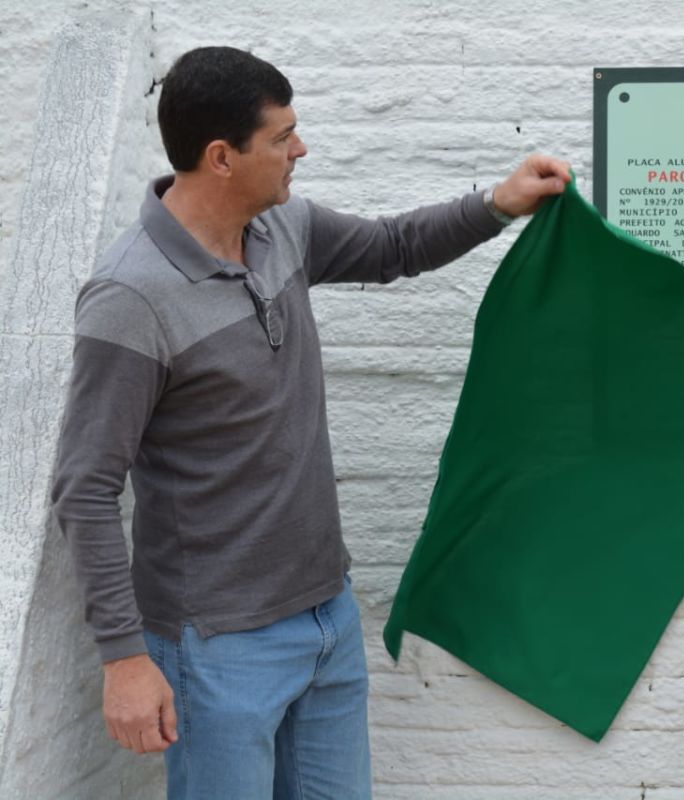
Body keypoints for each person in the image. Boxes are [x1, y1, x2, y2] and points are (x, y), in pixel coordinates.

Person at [50, 45, 570, 798]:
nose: (302, 148)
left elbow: (394, 247)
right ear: (222, 157)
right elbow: (86, 486)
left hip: (326, 616)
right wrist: (125, 658)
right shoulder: (131, 296)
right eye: (283, 136)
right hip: (216, 646)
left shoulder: (282, 228)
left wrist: (498, 202)